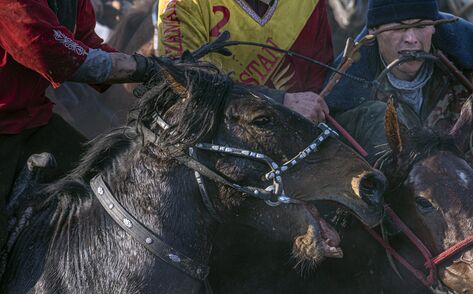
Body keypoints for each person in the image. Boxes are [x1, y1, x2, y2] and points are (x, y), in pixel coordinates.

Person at [0, 0, 159, 250]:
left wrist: (156, 69)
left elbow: (84, 41)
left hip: (31, 118)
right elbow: (46, 49)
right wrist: (140, 67)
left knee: (107, 178)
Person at [326, 0, 473, 179]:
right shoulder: (346, 90)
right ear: (374, 31)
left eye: (420, 26)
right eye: (399, 28)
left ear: (434, 26)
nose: (411, 39)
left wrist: (469, 188)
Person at [156, 0, 334, 122]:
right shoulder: (183, 3)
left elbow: (318, 80)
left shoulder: (308, 4)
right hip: (215, 138)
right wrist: (280, 101)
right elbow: (186, 85)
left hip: (293, 134)